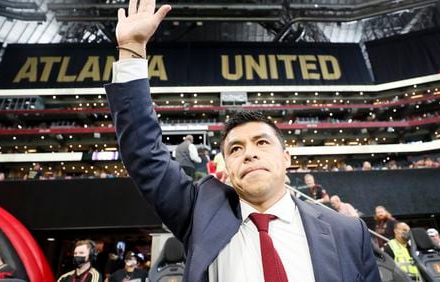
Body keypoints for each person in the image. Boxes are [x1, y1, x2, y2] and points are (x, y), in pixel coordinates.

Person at [104, 0, 380, 281]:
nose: (249, 153)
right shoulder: (199, 214)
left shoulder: (347, 232)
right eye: (236, 148)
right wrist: (132, 50)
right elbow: (145, 154)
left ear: (286, 158)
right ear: (227, 165)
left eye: (262, 142)